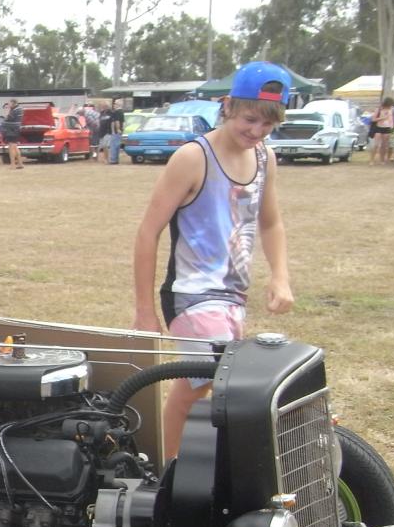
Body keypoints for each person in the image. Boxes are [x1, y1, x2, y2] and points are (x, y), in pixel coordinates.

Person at [131, 61, 294, 460]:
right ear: (228, 106)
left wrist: (280, 277)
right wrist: (144, 311)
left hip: (232, 296)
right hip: (191, 295)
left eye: (266, 125)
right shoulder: (193, 158)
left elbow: (270, 222)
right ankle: (167, 474)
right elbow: (148, 232)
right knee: (201, 384)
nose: (255, 131)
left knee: (213, 386)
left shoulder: (264, 159)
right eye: (249, 119)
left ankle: (197, 465)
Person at [371, 97, 394, 165]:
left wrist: (391, 127)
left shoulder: (391, 110)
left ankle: (382, 160)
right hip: (378, 127)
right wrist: (382, 118)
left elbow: (391, 119)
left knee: (384, 145)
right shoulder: (379, 110)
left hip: (387, 128)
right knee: (376, 145)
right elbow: (373, 119)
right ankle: (372, 159)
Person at [1, 99, 23, 169]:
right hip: (15, 130)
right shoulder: (18, 109)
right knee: (15, 147)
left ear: (13, 103)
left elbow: (8, 118)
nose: (8, 105)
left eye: (9, 104)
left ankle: (13, 165)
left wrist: (7, 111)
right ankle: (20, 164)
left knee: (11, 147)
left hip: (11, 130)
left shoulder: (15, 110)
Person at [108, 97, 125, 164]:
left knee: (113, 146)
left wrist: (117, 129)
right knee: (117, 145)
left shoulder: (116, 112)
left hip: (116, 131)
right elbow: (123, 122)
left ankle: (113, 160)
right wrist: (122, 129)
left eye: (115, 103)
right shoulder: (122, 111)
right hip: (120, 131)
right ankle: (116, 159)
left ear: (118, 104)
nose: (113, 105)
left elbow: (116, 121)